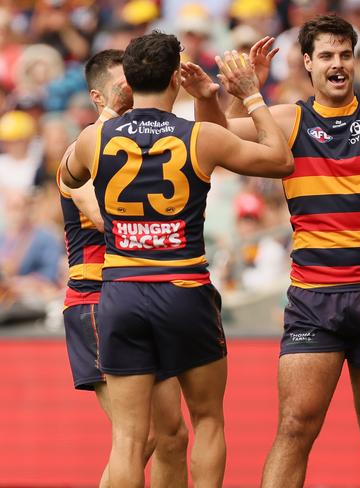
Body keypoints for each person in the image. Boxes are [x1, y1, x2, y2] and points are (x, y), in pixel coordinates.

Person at [188, 14, 360, 488]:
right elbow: (213, 137)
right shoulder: (286, 117)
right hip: (314, 298)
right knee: (295, 429)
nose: (337, 64)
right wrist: (214, 95)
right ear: (307, 64)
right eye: (327, 56)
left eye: (345, 55)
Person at [60, 32, 293, 488]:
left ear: (127, 80)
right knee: (206, 420)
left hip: (121, 293)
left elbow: (68, 173)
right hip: (184, 289)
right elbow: (280, 160)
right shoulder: (200, 137)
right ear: (175, 79)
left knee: (128, 438)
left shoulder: (95, 138)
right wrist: (251, 95)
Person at [57, 49, 189, 488]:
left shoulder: (144, 141)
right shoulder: (85, 148)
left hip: (139, 292)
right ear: (99, 96)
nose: (134, 91)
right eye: (122, 85)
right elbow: (103, 217)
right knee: (140, 434)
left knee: (173, 435)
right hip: (95, 298)